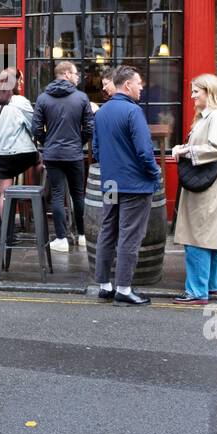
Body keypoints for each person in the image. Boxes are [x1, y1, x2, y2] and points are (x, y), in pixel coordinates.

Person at [91, 65, 161, 306]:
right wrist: (155, 173)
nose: (141, 87)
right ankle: (123, 288)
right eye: (139, 83)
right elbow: (144, 151)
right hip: (134, 185)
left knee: (108, 229)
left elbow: (96, 150)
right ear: (128, 85)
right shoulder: (133, 112)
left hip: (110, 183)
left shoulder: (101, 112)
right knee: (130, 236)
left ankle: (104, 285)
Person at [172, 74, 217, 306]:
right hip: (206, 184)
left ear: (210, 91)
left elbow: (215, 149)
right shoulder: (208, 117)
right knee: (208, 236)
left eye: (196, 91)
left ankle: (196, 292)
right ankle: (211, 285)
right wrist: (185, 147)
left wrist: (184, 151)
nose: (192, 96)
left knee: (196, 236)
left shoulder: (215, 117)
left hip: (205, 186)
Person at [33, 61, 93, 253]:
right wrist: (78, 142)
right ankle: (82, 236)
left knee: (58, 195)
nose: (77, 77)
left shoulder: (43, 99)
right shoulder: (82, 98)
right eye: (76, 74)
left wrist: (47, 141)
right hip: (74, 153)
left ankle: (61, 239)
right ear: (66, 74)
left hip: (53, 154)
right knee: (78, 195)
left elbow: (36, 129)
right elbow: (90, 128)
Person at [0, 67, 38, 203]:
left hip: (0, 155)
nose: (20, 83)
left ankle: (4, 224)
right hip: (21, 155)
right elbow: (34, 127)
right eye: (19, 80)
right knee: (40, 160)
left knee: (4, 193)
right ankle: (35, 193)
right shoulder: (21, 101)